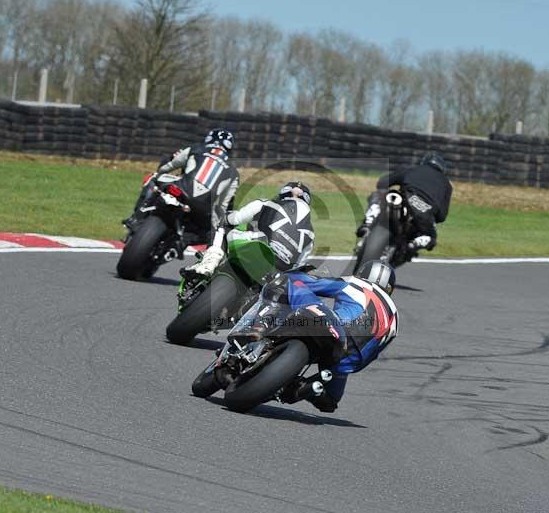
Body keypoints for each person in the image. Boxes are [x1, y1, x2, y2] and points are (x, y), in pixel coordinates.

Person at [284, 260, 398, 413]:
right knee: (329, 402)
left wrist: (294, 274)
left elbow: (312, 283)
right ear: (390, 288)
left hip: (333, 327)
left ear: (362, 274)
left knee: (294, 282)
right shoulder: (395, 317)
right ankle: (305, 388)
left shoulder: (356, 283)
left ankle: (262, 325)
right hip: (350, 360)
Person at [123, 128, 239, 245]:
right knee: (215, 228)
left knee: (153, 177)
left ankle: (135, 218)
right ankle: (205, 252)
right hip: (203, 206)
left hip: (182, 188)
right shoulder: (234, 172)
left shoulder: (196, 149)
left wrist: (162, 172)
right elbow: (225, 205)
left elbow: (168, 166)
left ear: (208, 139)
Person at [184, 181, 315, 277]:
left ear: (283, 194)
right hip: (280, 270)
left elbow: (235, 219)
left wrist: (227, 216)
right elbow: (299, 265)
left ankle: (208, 264)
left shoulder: (266, 203)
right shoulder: (311, 234)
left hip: (260, 244)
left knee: (222, 227)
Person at [357, 152, 452, 260]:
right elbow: (442, 216)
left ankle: (368, 222)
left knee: (378, 195)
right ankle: (417, 242)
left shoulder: (413, 170)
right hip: (424, 213)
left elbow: (383, 182)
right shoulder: (447, 185)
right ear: (442, 169)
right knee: (432, 237)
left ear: (424, 163)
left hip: (404, 199)